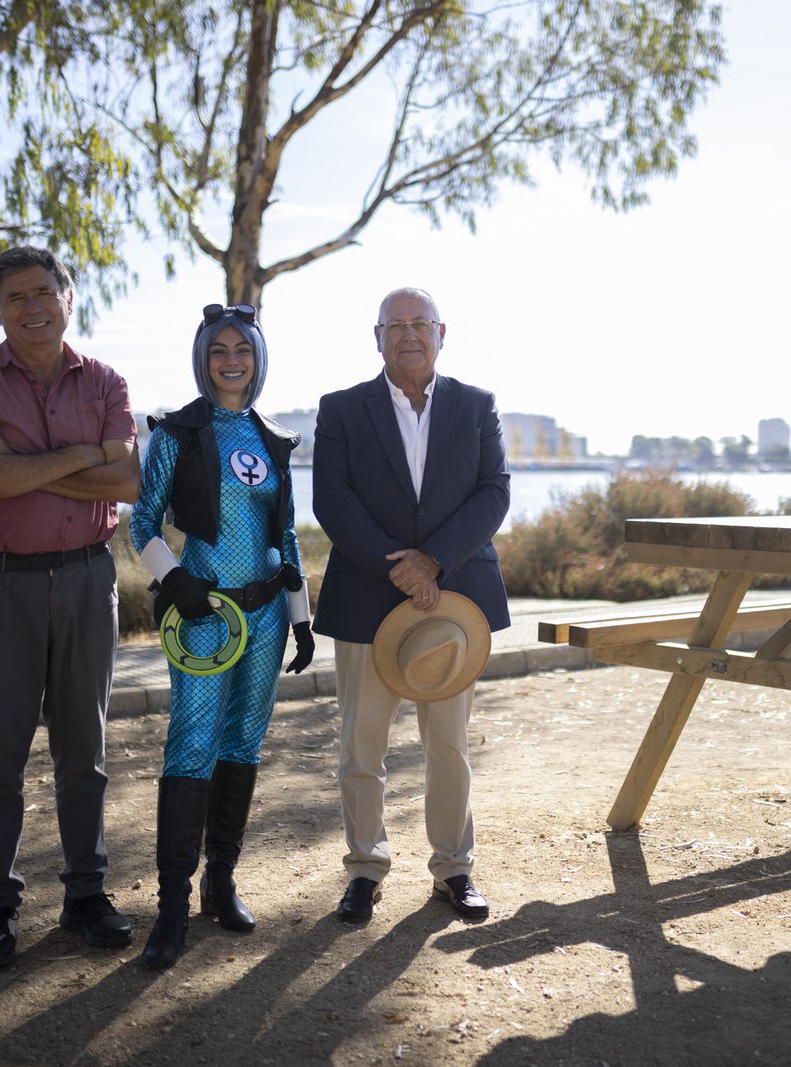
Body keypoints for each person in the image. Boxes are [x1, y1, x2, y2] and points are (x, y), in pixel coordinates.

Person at [0, 246, 140, 968]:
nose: (32, 307)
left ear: (68, 297)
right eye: (15, 297)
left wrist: (19, 462)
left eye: (43, 292)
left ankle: (86, 894)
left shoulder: (106, 380)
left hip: (87, 578)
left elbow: (130, 480)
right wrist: (84, 456)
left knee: (84, 750)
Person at [312, 287, 510, 923]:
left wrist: (434, 562)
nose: (408, 334)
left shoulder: (477, 405)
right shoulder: (341, 409)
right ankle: (364, 870)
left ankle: (454, 869)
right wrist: (399, 566)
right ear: (377, 338)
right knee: (361, 746)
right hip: (367, 596)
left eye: (420, 323)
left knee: (448, 747)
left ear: (441, 333)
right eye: (394, 325)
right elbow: (332, 499)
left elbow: (493, 492)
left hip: (455, 601)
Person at [130, 302, 315, 968]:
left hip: (265, 616)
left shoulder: (274, 438)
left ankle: (221, 881)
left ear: (257, 358)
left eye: (242, 349)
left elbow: (285, 534)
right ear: (203, 358)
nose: (231, 360)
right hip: (204, 614)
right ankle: (171, 906)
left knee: (243, 742)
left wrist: (301, 616)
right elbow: (141, 522)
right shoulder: (177, 433)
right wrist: (174, 578)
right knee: (192, 743)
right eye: (219, 350)